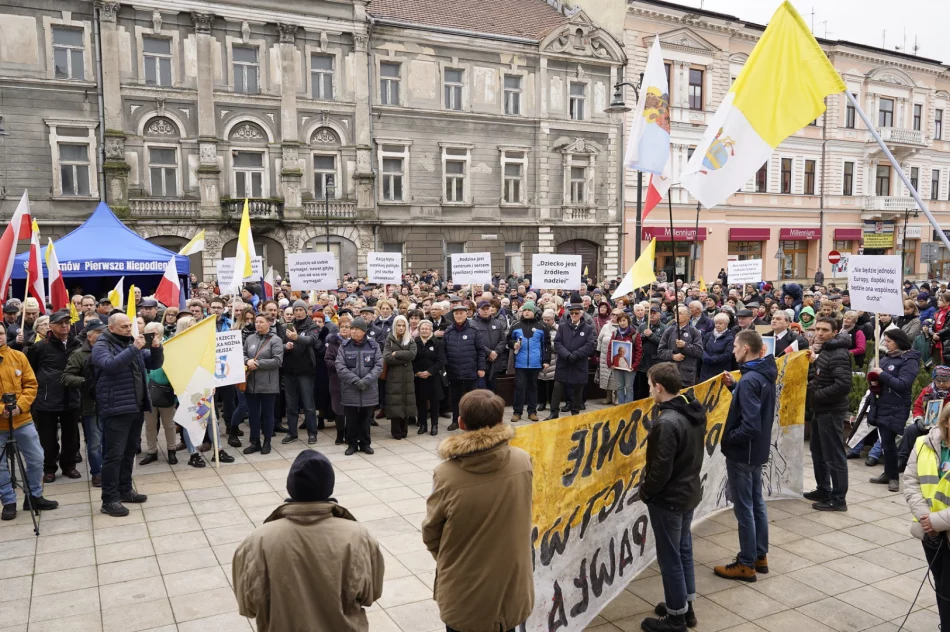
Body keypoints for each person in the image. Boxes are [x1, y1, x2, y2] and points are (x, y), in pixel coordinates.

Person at [233, 450, 385, 632]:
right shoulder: (358, 536)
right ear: (329, 487)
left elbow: (248, 606)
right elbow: (371, 594)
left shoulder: (257, 541)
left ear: (291, 486)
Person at [422, 390, 534, 632]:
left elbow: (431, 533)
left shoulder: (445, 474)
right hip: (511, 586)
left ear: (461, 423)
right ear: (501, 422)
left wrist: (454, 559)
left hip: (465, 591)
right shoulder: (523, 460)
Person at [639, 363, 706, 632]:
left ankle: (676, 618)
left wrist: (646, 492)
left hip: (670, 498)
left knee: (671, 558)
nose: (649, 390)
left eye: (649, 385)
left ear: (659, 387)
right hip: (687, 491)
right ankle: (685, 607)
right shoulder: (690, 409)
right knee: (683, 550)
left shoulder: (667, 421)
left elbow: (660, 468)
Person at [714, 331, 776, 582]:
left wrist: (728, 438)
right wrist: (734, 388)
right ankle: (760, 555)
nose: (733, 351)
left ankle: (746, 562)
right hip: (756, 450)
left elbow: (750, 424)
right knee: (756, 503)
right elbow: (754, 405)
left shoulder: (751, 379)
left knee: (745, 508)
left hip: (744, 452)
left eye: (736, 346)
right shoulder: (760, 374)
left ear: (747, 348)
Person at [92, 313, 164, 517]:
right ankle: (109, 499)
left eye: (129, 325)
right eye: (124, 326)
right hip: (116, 407)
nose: (128, 329)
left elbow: (153, 364)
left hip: (135, 406)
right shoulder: (102, 344)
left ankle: (125, 490)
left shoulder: (131, 343)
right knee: (113, 455)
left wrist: (157, 348)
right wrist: (134, 349)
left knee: (129, 451)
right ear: (111, 327)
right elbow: (110, 365)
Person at [0, 324, 58, 521]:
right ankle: (8, 501)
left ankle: (33, 496)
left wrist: (20, 406)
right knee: (0, 466)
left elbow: (31, 385)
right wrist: (2, 410)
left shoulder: (18, 356)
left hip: (22, 420)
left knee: (36, 459)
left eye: (0, 333)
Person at [804, 316, 852, 512]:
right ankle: (824, 488)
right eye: (818, 329)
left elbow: (842, 384)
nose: (820, 333)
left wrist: (816, 394)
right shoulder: (826, 350)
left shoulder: (839, 353)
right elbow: (822, 375)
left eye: (825, 330)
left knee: (833, 455)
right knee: (818, 452)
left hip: (831, 410)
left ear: (834, 332)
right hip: (820, 409)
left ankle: (838, 498)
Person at [28, 309, 82, 482]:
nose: (64, 326)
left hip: (71, 397)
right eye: (60, 323)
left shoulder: (77, 344)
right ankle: (49, 468)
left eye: (67, 323)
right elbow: (32, 370)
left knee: (71, 436)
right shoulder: (40, 346)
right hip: (47, 399)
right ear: (51, 326)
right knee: (48, 437)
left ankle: (69, 466)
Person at [867, 328, 919, 492]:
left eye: (889, 341)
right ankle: (887, 473)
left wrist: (882, 375)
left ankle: (894, 477)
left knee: (889, 441)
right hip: (882, 404)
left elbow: (903, 384)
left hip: (896, 406)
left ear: (898, 341)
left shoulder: (909, 360)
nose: (886, 344)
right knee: (885, 441)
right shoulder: (886, 358)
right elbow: (880, 379)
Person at [62, 318, 106, 487]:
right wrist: (86, 382)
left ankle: (111, 471)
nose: (103, 336)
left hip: (112, 404)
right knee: (95, 444)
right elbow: (66, 377)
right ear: (90, 336)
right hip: (91, 406)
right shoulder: (79, 354)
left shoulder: (111, 350)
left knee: (111, 442)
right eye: (100, 333)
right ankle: (97, 473)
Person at [336, 317, 383, 455]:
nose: (353, 331)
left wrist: (366, 380)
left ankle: (365, 444)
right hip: (351, 389)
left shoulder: (373, 346)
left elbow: (379, 365)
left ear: (364, 331)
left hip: (368, 389)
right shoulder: (344, 346)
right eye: (352, 329)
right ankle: (351, 444)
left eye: (356, 329)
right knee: (351, 420)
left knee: (366, 419)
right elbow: (340, 366)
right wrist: (356, 381)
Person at [546, 301, 596, 420]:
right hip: (564, 362)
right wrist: (567, 355)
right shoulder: (563, 326)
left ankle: (575, 412)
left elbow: (590, 345)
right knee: (557, 388)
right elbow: (557, 343)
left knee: (578, 390)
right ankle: (554, 412)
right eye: (572, 313)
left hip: (579, 364)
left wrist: (576, 355)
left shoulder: (588, 328)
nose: (574, 315)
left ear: (581, 314)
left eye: (576, 313)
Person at [243, 314, 284, 455]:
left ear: (269, 323)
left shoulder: (275, 340)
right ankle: (255, 442)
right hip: (251, 384)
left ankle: (267, 441)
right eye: (256, 322)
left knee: (267, 414)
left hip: (268, 384)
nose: (258, 324)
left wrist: (258, 364)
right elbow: (241, 354)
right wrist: (247, 360)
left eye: (261, 322)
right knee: (253, 414)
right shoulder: (250, 338)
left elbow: (277, 361)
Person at [281, 300, 319, 445]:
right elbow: (280, 343)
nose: (297, 313)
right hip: (289, 370)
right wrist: (287, 345)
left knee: (308, 405)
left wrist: (297, 338)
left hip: (305, 370)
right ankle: (292, 432)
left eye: (300, 310)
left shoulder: (312, 325)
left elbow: (311, 340)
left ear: (306, 311)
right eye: (295, 310)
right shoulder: (287, 326)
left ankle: (312, 433)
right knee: (291, 404)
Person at [442, 304, 485, 431]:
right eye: (456, 314)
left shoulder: (474, 330)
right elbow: (444, 351)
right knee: (455, 398)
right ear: (453, 315)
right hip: (454, 372)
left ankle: (471, 422)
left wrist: (481, 368)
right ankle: (456, 421)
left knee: (471, 400)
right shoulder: (449, 331)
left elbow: (481, 351)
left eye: (461, 313)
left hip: (470, 371)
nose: (459, 316)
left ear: (467, 314)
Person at [509, 302, 550, 422]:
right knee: (519, 388)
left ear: (534, 311)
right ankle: (517, 412)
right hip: (520, 363)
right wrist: (513, 344)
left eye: (529, 310)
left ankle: (532, 412)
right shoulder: (515, 324)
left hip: (535, 363)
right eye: (524, 310)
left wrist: (546, 360)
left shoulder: (542, 326)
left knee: (533, 388)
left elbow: (546, 344)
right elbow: (508, 340)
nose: (526, 312)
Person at [383, 315, 417, 440]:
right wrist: (404, 359)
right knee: (395, 402)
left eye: (403, 325)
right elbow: (387, 358)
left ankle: (404, 430)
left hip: (407, 376)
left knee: (407, 402)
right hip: (394, 376)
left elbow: (412, 355)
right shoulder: (389, 339)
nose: (401, 328)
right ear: (395, 326)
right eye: (399, 325)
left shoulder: (410, 339)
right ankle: (396, 431)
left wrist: (397, 353)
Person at [657, 306, 703, 388]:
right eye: (676, 313)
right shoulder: (669, 331)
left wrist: (685, 345)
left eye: (680, 313)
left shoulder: (694, 332)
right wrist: (672, 356)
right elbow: (660, 351)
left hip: (686, 375)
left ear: (688, 317)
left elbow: (699, 351)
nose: (676, 315)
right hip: (670, 373)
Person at [413, 320, 445, 435]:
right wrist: (417, 372)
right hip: (419, 378)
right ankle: (423, 424)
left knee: (434, 402)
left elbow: (441, 360)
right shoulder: (414, 343)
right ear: (419, 330)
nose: (424, 331)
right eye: (422, 329)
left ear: (431, 330)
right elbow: (412, 360)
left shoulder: (438, 343)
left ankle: (434, 425)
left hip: (433, 377)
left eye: (427, 329)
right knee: (420, 402)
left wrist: (429, 372)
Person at [325, 317, 351, 445]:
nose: (344, 329)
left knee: (350, 408)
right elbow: (328, 360)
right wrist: (340, 366)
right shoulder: (333, 343)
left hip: (351, 380)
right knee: (338, 408)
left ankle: (349, 433)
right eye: (342, 327)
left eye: (347, 327)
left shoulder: (354, 343)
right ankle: (340, 433)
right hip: (337, 380)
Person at [610, 312, 642, 404]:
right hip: (617, 366)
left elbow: (639, 351)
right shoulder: (616, 333)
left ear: (628, 321)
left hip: (630, 366)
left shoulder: (634, 334)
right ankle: (621, 405)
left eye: (624, 320)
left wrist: (634, 365)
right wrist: (610, 363)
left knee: (628, 387)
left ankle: (628, 407)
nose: (622, 323)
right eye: (620, 321)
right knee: (619, 386)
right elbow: (610, 348)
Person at [637, 306, 668, 400]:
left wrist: (651, 335)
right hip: (643, 362)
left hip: (656, 362)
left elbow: (663, 344)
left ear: (659, 314)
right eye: (650, 313)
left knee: (655, 387)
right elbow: (637, 341)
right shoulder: (642, 326)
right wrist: (643, 336)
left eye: (654, 313)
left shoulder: (664, 328)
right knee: (642, 389)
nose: (652, 315)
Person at [699, 313, 735, 382]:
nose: (717, 325)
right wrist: (705, 358)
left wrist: (712, 360)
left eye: (720, 323)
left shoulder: (731, 338)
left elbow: (728, 355)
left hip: (720, 371)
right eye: (716, 323)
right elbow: (701, 348)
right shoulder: (709, 335)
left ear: (726, 324)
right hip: (705, 370)